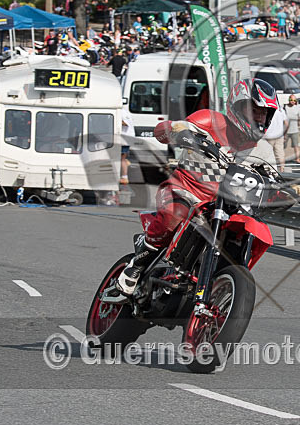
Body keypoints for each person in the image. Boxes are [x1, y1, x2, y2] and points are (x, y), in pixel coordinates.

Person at [114, 78, 288, 298]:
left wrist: (286, 191)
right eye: (255, 110)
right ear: (238, 106)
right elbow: (164, 131)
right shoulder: (209, 119)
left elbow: (271, 179)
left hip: (225, 206)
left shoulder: (262, 150)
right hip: (184, 191)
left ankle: (222, 284)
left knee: (246, 228)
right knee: (176, 212)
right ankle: (137, 265)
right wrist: (179, 132)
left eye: (264, 113)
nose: (260, 117)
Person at [262, 99, 288, 171]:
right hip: (279, 135)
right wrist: (284, 134)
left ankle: (270, 170)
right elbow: (286, 123)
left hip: (269, 135)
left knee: (268, 154)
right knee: (280, 153)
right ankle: (282, 170)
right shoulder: (281, 110)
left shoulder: (267, 110)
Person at [284, 95, 300, 163]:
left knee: (296, 145)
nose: (293, 102)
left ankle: (297, 158)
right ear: (289, 100)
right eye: (291, 100)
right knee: (283, 146)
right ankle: (281, 158)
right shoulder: (285, 107)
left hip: (294, 130)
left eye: (294, 100)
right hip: (285, 131)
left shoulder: (297, 108)